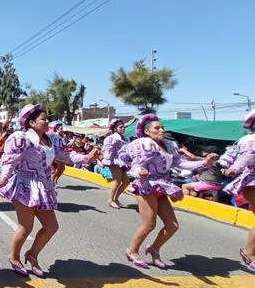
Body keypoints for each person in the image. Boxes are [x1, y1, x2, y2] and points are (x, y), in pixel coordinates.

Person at [0, 104, 98, 277]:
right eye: (44, 119)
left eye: (47, 118)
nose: (47, 121)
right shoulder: (23, 138)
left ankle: (32, 254)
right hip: (25, 184)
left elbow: (65, 156)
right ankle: (14, 256)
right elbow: (10, 160)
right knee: (26, 227)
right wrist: (3, 178)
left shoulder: (52, 139)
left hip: (43, 186)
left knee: (51, 227)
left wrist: (86, 157)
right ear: (32, 123)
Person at [119, 114, 217, 269]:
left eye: (162, 127)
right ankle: (132, 251)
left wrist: (205, 162)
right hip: (146, 185)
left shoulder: (169, 146)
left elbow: (182, 164)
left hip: (162, 185)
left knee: (172, 226)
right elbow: (134, 166)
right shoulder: (143, 144)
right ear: (147, 131)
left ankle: (154, 249)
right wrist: (140, 173)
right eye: (157, 128)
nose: (161, 130)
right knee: (149, 224)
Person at [223, 110, 255, 271]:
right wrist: (233, 169)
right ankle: (249, 253)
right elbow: (246, 158)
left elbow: (227, 157)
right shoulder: (250, 140)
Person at [102, 118, 131, 209]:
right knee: (117, 181)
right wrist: (107, 158)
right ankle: (111, 200)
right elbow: (107, 149)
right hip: (114, 161)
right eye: (120, 127)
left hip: (122, 161)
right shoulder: (112, 137)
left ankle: (116, 198)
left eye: (123, 127)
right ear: (115, 128)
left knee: (126, 182)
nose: (123, 128)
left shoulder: (125, 138)